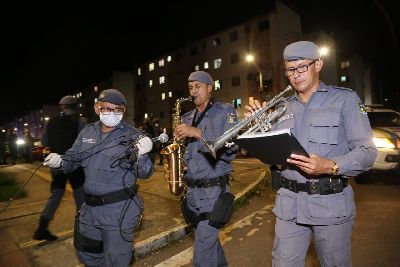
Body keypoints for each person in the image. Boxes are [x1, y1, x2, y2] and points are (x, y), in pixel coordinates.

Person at [246, 41, 377, 266]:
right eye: (290, 70)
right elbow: (272, 154)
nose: (295, 75)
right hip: (290, 207)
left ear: (318, 65)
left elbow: (367, 153)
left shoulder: (344, 99)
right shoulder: (281, 107)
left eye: (302, 67)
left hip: (330, 206)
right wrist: (259, 128)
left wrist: (331, 166)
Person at [44, 89, 154, 266]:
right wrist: (60, 161)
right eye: (106, 108)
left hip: (120, 210)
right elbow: (73, 159)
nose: (112, 113)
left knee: (117, 260)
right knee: (86, 253)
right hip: (90, 209)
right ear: (97, 109)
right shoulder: (87, 133)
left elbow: (145, 173)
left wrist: (142, 155)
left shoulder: (133, 136)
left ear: (123, 111)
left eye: (117, 109)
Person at [174, 71, 237, 266]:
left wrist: (198, 133)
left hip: (214, 192)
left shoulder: (225, 112)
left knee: (202, 251)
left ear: (210, 88)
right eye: (191, 87)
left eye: (198, 86)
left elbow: (230, 151)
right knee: (210, 244)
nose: (193, 92)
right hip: (193, 193)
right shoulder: (186, 117)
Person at [33, 95, 88, 241]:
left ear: (62, 106)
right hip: (74, 164)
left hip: (56, 164)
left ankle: (42, 228)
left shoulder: (51, 121)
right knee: (80, 195)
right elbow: (85, 142)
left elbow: (44, 140)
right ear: (74, 106)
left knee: (56, 193)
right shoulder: (80, 121)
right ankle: (82, 229)